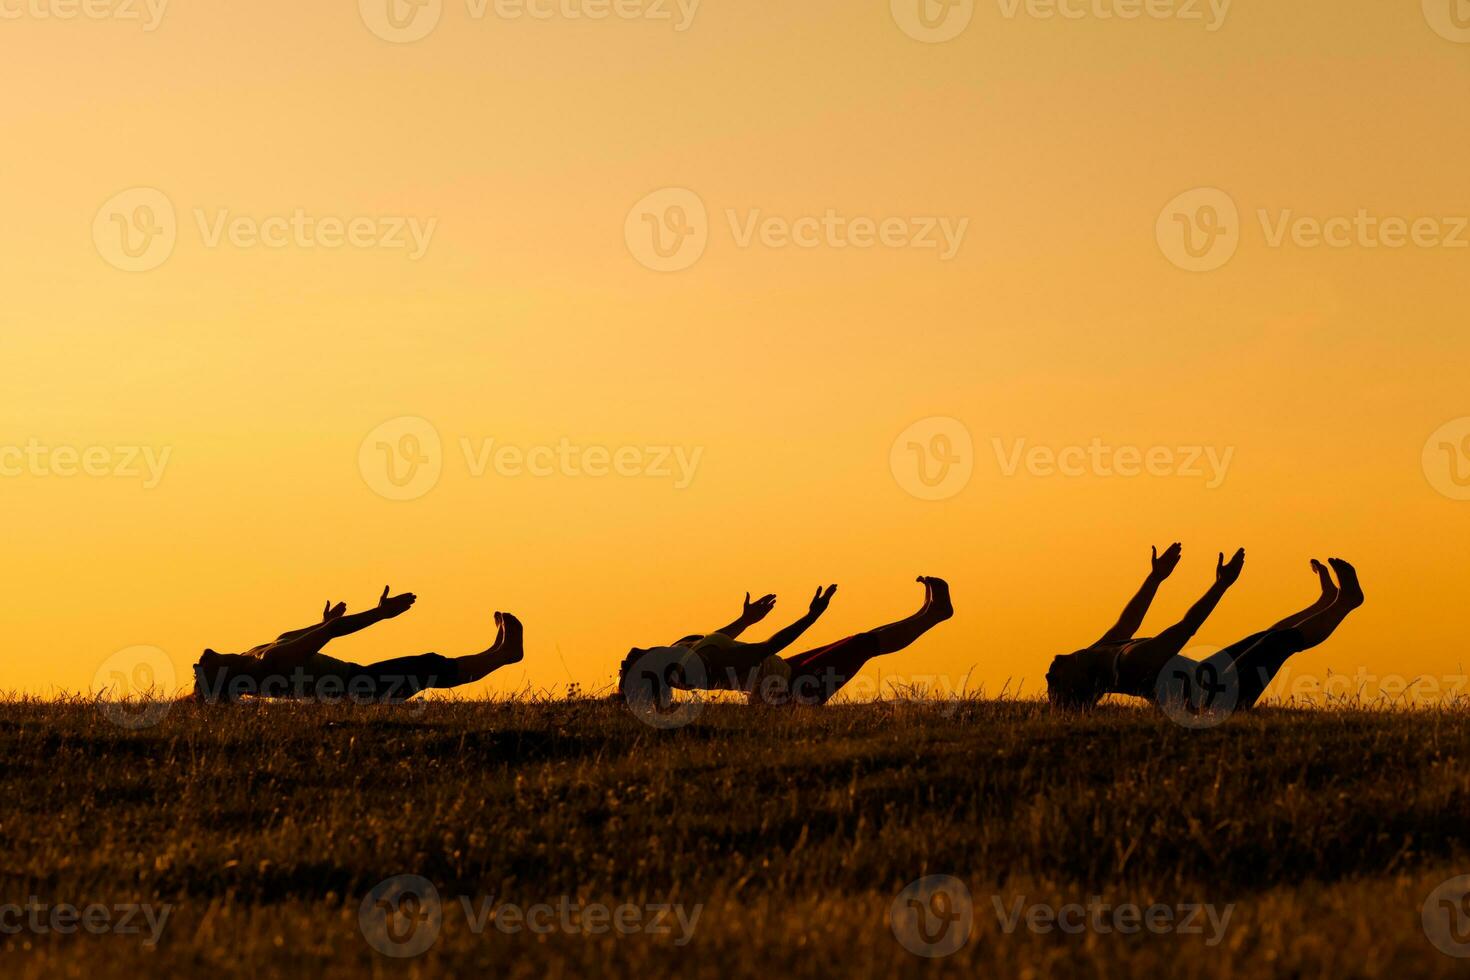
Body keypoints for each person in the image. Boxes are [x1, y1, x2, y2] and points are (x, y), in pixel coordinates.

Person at [1046, 545, 1364, 713]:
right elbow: (1187, 627)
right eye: (1056, 680)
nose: (1050, 670)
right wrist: (1221, 585)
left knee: (1264, 637)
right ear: (1085, 680)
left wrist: (1155, 577)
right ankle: (1345, 603)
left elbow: (1129, 621)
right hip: (1221, 699)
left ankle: (1326, 601)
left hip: (1211, 676)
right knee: (1277, 642)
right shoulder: (1131, 663)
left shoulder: (1096, 653)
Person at [619, 577, 954, 707]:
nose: (632, 655)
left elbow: (717, 638)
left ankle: (927, 612)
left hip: (783, 673)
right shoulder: (699, 668)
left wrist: (745, 620)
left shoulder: (682, 650)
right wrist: (813, 615)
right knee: (863, 644)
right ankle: (934, 614)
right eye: (636, 661)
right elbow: (769, 647)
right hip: (791, 689)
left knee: (857, 640)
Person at [192, 587, 523, 703]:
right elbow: (332, 632)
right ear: (224, 674)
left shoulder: (256, 655)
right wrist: (380, 614)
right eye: (201, 673)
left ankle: (498, 652)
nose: (196, 664)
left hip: (359, 683)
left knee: (430, 668)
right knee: (430, 667)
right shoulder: (268, 662)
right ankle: (504, 654)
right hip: (363, 688)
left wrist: (323, 622)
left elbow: (319, 631)